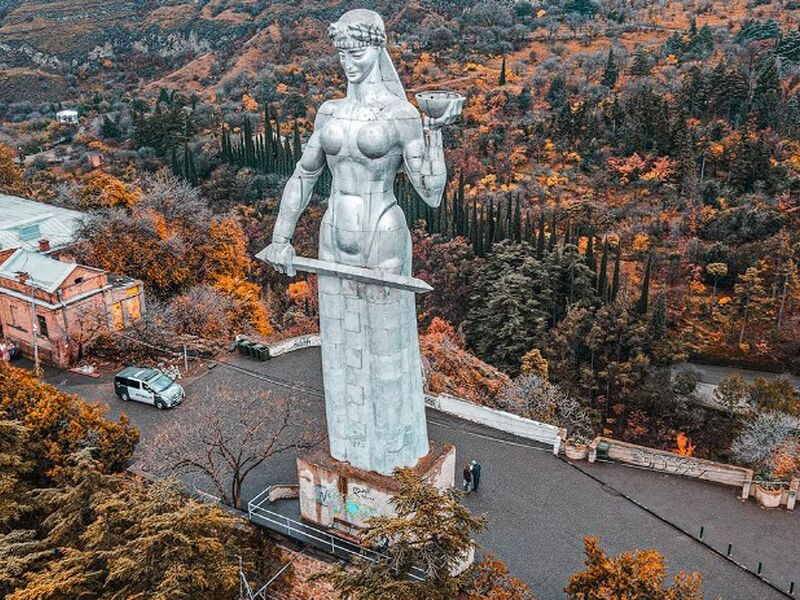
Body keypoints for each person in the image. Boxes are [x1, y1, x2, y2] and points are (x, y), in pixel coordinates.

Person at [258, 9, 464, 475]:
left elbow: (430, 193)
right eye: (343, 53)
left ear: (378, 49)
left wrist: (433, 135)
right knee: (339, 345)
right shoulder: (329, 112)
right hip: (333, 231)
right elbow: (305, 174)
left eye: (359, 51)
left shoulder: (403, 114)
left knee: (386, 353)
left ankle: (394, 458)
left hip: (382, 230)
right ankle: (349, 450)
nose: (350, 61)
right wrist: (281, 237)